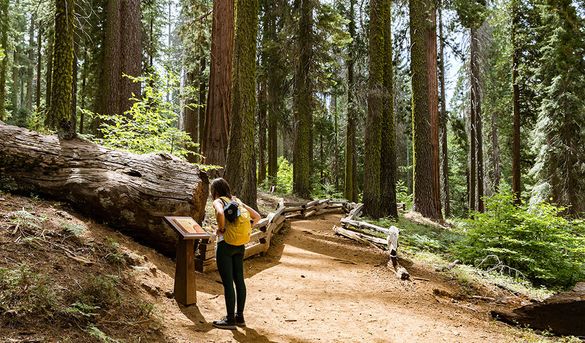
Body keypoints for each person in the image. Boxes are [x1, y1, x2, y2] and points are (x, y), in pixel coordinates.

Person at [210, 178, 260, 330]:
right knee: (239, 280)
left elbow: (220, 213)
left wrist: (222, 228)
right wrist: (249, 226)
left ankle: (230, 319)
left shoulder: (219, 201)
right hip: (240, 246)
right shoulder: (237, 201)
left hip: (225, 245)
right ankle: (240, 317)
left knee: (227, 283)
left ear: (216, 191)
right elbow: (257, 216)